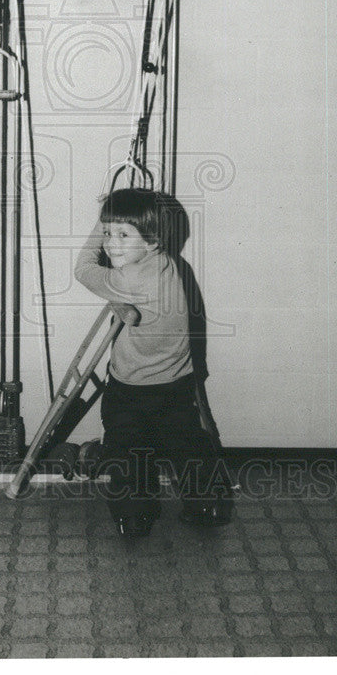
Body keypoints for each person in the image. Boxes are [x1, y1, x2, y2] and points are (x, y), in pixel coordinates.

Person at [74, 186, 232, 539]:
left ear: (152, 241)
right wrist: (117, 223)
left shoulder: (130, 277)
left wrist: (97, 229)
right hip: (177, 381)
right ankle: (209, 504)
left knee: (126, 450)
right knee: (186, 444)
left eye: (123, 235)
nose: (112, 244)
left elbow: (84, 270)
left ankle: (133, 516)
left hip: (131, 386)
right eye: (109, 232)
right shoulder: (166, 264)